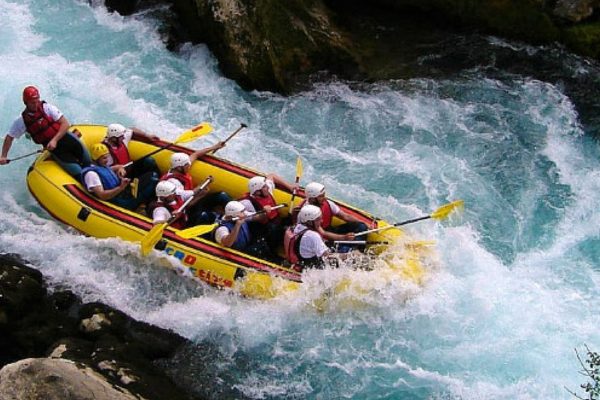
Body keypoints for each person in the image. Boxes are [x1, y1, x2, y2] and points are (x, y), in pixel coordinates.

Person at [0, 85, 91, 177]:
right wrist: (3, 156)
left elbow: (65, 124)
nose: (35, 104)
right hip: (56, 150)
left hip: (67, 138)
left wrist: (54, 140)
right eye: (32, 103)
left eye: (37, 101)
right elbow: (9, 138)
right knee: (79, 173)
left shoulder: (47, 108)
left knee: (88, 161)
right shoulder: (21, 121)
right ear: (25, 102)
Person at [161, 147, 231, 225]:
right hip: (187, 210)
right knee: (203, 215)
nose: (189, 166)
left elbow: (195, 154)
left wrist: (216, 146)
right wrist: (201, 194)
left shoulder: (181, 167)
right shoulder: (173, 184)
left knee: (222, 196)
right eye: (187, 165)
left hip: (193, 199)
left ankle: (236, 212)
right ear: (179, 168)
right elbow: (186, 204)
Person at [298, 182, 372, 250]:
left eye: (324, 195)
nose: (324, 198)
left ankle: (359, 249)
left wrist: (364, 222)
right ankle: (353, 250)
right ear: (312, 199)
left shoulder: (327, 203)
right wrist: (344, 238)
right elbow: (323, 233)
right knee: (345, 249)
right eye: (321, 196)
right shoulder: (307, 212)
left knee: (362, 226)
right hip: (319, 239)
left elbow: (345, 216)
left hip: (329, 230)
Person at [82, 143, 156, 210]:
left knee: (151, 173)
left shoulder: (101, 166)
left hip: (122, 193)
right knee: (153, 179)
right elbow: (102, 195)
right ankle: (149, 206)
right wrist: (121, 187)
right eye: (104, 158)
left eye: (107, 157)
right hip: (121, 202)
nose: (107, 160)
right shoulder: (91, 175)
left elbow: (116, 167)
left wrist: (120, 169)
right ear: (96, 159)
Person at [238, 174, 298, 254]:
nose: (268, 187)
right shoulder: (247, 203)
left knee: (289, 221)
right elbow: (238, 213)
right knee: (279, 230)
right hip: (264, 230)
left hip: (276, 223)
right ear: (257, 192)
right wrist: (263, 213)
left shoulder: (267, 191)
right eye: (264, 187)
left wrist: (290, 187)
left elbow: (271, 175)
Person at [284, 205, 333, 271]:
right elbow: (328, 257)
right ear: (309, 222)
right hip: (310, 270)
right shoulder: (313, 236)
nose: (321, 221)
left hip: (298, 263)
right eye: (318, 219)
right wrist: (349, 255)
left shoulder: (294, 227)